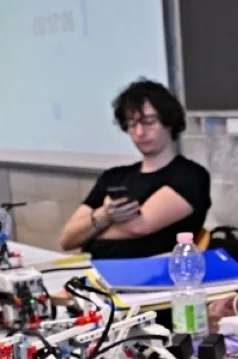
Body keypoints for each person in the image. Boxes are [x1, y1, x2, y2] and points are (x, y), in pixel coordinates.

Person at [59, 79, 211, 260]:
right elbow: (67, 239)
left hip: (156, 277)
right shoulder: (114, 176)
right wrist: (105, 214)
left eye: (148, 122)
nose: (139, 132)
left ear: (169, 122)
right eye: (132, 124)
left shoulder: (190, 175)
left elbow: (137, 227)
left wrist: (90, 233)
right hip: (98, 274)